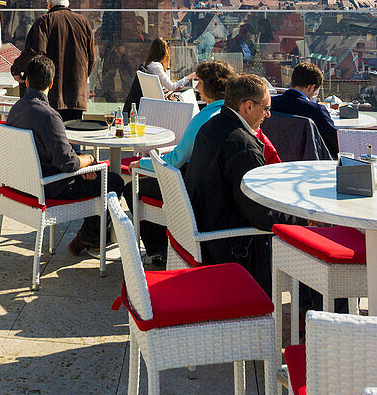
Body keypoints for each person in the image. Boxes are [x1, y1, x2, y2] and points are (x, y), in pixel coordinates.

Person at [6, 53, 125, 256]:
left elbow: (60, 157)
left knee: (95, 174)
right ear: (51, 84)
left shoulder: (16, 109)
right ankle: (90, 237)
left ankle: (90, 238)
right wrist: (89, 160)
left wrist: (83, 167)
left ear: (26, 80)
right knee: (112, 181)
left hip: (23, 185)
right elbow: (67, 163)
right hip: (51, 187)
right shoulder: (49, 116)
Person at [184, 73, 292, 291]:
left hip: (205, 231)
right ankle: (313, 314)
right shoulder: (243, 145)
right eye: (266, 108)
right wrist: (301, 220)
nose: (268, 115)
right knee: (306, 245)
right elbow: (262, 216)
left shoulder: (211, 127)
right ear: (248, 106)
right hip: (232, 247)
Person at [123, 59, 235, 262]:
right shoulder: (229, 114)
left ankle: (158, 249)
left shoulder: (203, 118)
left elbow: (175, 160)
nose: (197, 87)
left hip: (192, 191)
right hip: (218, 193)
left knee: (133, 188)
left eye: (199, 82)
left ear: (209, 86)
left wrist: (143, 163)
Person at [13, 0, 95, 121]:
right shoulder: (83, 22)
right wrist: (81, 79)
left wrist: (16, 70)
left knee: (50, 137)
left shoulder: (44, 21)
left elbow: (34, 53)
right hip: (76, 96)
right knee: (74, 137)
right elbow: (92, 58)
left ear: (49, 3)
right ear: (67, 4)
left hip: (51, 95)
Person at [270, 61, 338, 158]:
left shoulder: (270, 104)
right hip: (307, 164)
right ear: (311, 87)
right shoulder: (316, 111)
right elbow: (336, 143)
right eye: (316, 91)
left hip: (274, 161)